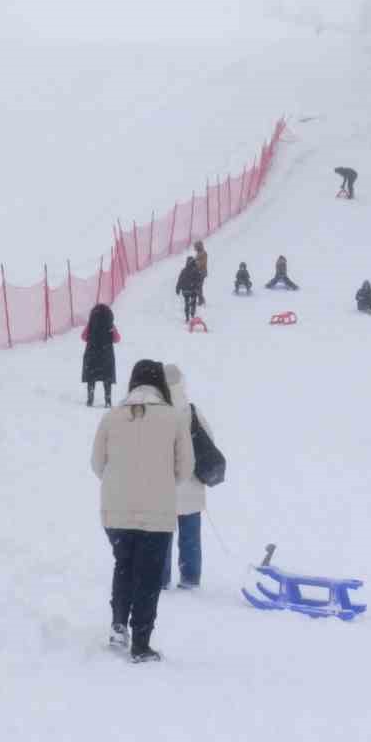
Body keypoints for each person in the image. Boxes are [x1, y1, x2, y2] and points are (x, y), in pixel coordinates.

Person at [90, 360, 194, 662]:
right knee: (148, 576)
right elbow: (185, 469)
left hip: (116, 512)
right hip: (157, 513)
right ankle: (141, 642)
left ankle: (118, 626)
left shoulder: (112, 416)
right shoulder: (173, 418)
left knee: (123, 565)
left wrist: (118, 483)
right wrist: (162, 482)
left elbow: (97, 464)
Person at [161, 364, 211, 591]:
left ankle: (160, 579)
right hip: (190, 485)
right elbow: (208, 440)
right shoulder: (191, 411)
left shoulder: (156, 411)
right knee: (190, 537)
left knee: (161, 537)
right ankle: (190, 579)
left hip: (162, 487)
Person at [79, 303, 120, 408]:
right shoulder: (110, 325)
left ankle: (90, 398)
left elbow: (83, 337)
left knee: (91, 378)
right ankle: (108, 399)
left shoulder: (91, 324)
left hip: (92, 354)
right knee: (107, 378)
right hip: (106, 355)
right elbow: (117, 339)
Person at [175, 256, 203, 321]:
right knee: (193, 302)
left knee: (186, 302)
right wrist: (197, 288)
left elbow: (180, 280)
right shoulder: (196, 270)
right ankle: (192, 315)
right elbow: (199, 280)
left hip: (185, 290)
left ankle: (187, 317)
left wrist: (178, 288)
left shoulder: (184, 270)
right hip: (192, 290)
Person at [193, 241, 209, 305]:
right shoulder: (199, 253)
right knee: (198, 286)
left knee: (199, 286)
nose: (195, 249)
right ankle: (201, 299)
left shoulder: (203, 253)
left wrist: (195, 263)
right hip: (198, 272)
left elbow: (202, 262)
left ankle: (201, 300)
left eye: (196, 247)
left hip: (202, 272)